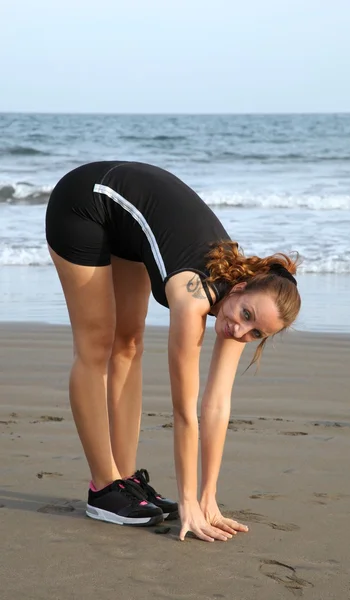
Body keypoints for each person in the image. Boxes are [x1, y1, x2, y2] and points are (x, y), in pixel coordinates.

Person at [45, 161, 301, 543]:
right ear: (239, 287)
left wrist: (208, 498)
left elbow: (215, 406)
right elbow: (185, 411)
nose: (239, 329)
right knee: (97, 343)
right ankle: (103, 487)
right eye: (245, 315)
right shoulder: (193, 297)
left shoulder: (241, 309)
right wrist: (187, 503)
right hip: (84, 202)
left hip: (124, 222)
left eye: (255, 332)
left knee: (129, 341)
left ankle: (126, 479)